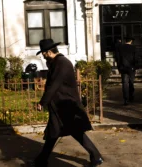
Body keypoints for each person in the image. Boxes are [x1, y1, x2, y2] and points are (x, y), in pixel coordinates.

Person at [34, 39, 103, 167]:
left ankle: (96, 156)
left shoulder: (61, 63)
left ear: (49, 52)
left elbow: (54, 85)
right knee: (53, 133)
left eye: (43, 53)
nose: (43, 56)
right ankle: (41, 161)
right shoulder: (56, 63)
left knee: (70, 132)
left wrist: (42, 102)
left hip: (66, 105)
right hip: (60, 104)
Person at [117, 36, 136, 105]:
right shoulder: (133, 48)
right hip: (131, 68)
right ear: (131, 41)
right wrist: (135, 67)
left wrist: (119, 68)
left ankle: (125, 100)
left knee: (125, 84)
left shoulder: (120, 47)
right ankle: (131, 97)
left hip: (123, 68)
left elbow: (118, 59)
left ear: (125, 41)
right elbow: (136, 58)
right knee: (131, 82)